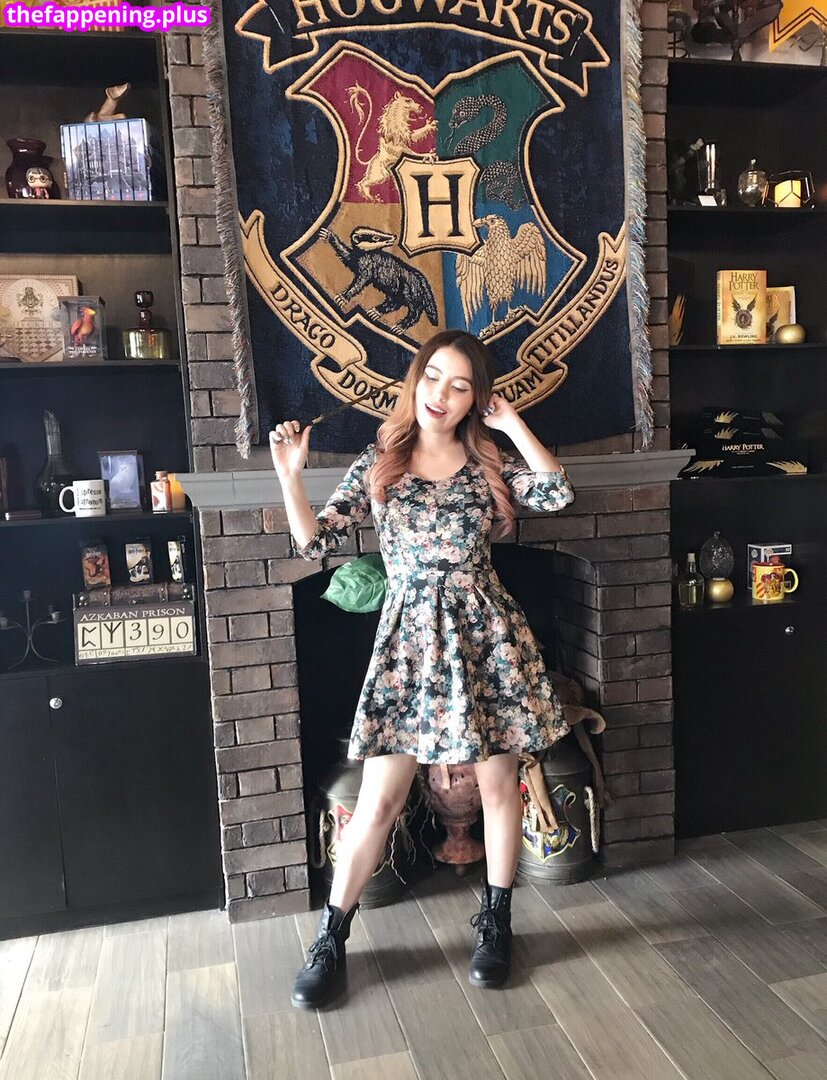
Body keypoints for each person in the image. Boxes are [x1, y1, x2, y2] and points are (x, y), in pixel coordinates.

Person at [270, 329, 574, 1009]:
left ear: (476, 399)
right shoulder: (382, 458)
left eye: (460, 385)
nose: (441, 394)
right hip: (408, 646)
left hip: (485, 639)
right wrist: (290, 475)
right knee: (378, 800)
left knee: (498, 788)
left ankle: (495, 923)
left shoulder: (487, 460)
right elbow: (314, 543)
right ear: (416, 379)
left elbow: (556, 493)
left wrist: (512, 425)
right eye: (434, 376)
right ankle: (330, 939)